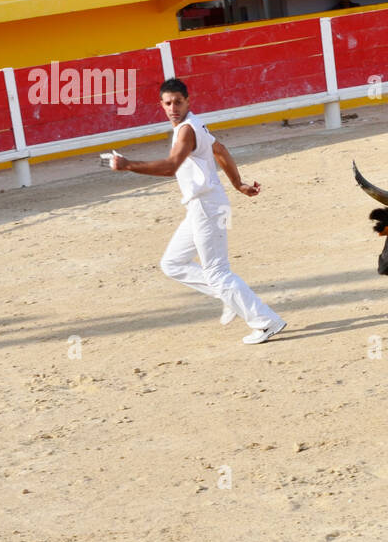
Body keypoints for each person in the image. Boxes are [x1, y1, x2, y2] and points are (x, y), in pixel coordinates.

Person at [111, 78, 287, 345]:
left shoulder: (187, 131)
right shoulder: (194, 123)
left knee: (217, 272)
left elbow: (171, 166)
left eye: (178, 102)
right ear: (161, 105)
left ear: (188, 101)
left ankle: (266, 321)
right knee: (173, 263)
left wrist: (128, 165)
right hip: (200, 206)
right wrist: (237, 183)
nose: (173, 108)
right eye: (168, 103)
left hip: (207, 206)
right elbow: (220, 150)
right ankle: (230, 298)